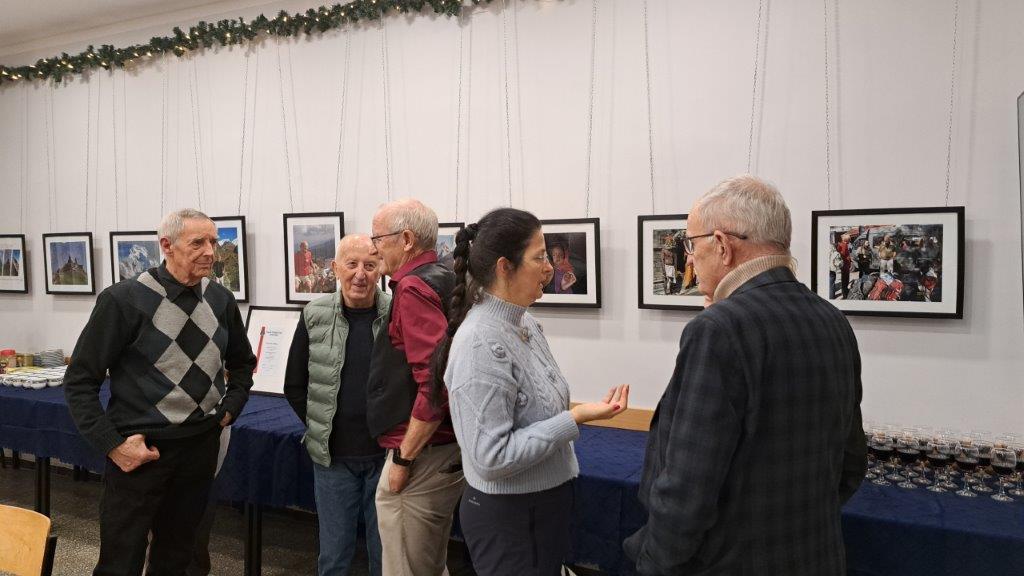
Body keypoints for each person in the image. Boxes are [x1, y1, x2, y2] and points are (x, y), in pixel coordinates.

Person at [623, 175, 866, 576]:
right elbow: (851, 464)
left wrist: (653, 564)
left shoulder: (720, 330)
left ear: (722, 245)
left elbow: (687, 490)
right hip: (815, 556)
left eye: (691, 244)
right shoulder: (832, 320)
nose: (689, 259)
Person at [434, 207, 629, 575]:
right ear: (504, 267)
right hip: (511, 517)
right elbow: (491, 458)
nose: (549, 269)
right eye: (539, 257)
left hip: (539, 509)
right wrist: (573, 419)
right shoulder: (479, 342)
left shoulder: (525, 323)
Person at [64, 208, 257, 575]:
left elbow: (243, 363)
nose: (210, 252)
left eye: (213, 242)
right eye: (197, 243)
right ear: (166, 245)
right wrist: (112, 445)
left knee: (179, 560)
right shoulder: (123, 300)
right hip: (140, 453)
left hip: (199, 448)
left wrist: (231, 407)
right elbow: (79, 381)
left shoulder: (220, 299)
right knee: (120, 562)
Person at [366, 198, 464, 576]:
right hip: (445, 447)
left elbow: (436, 383)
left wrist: (404, 459)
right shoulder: (447, 276)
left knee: (407, 566)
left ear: (406, 239)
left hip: (424, 452)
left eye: (378, 238)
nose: (373, 249)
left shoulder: (412, 288)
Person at [284, 234, 390, 576]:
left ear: (380, 269)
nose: (360, 274)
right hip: (333, 458)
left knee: (385, 557)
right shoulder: (314, 314)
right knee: (334, 556)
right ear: (335, 268)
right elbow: (294, 384)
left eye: (370, 265)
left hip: (386, 457)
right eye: (352, 264)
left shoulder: (396, 313)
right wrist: (321, 425)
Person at [838, 233, 852, 298]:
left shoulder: (841, 244)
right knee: (845, 280)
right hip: (845, 264)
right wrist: (848, 259)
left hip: (844, 264)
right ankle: (845, 294)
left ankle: (845, 293)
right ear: (847, 240)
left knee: (844, 279)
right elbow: (843, 254)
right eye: (849, 239)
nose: (850, 241)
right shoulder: (844, 245)